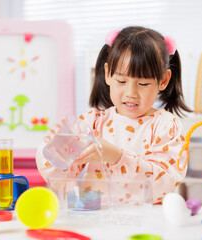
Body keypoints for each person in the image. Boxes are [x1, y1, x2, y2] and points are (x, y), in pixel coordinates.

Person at [36, 26, 192, 204]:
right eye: (121, 81)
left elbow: (163, 184)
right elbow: (59, 179)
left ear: (163, 80)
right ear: (108, 74)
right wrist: (53, 148)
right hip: (97, 218)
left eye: (142, 83)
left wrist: (116, 156)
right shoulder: (92, 123)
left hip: (146, 222)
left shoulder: (166, 127)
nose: (130, 92)